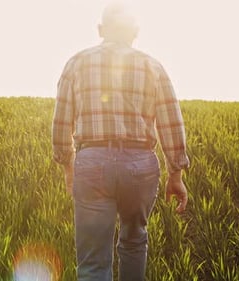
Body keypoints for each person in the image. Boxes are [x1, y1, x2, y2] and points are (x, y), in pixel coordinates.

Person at [52, 3, 190, 281]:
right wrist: (176, 174)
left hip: (91, 162)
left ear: (101, 30)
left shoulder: (76, 63)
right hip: (140, 165)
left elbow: (60, 123)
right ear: (135, 32)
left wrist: (69, 168)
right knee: (134, 240)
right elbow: (171, 122)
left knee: (92, 262)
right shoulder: (153, 66)